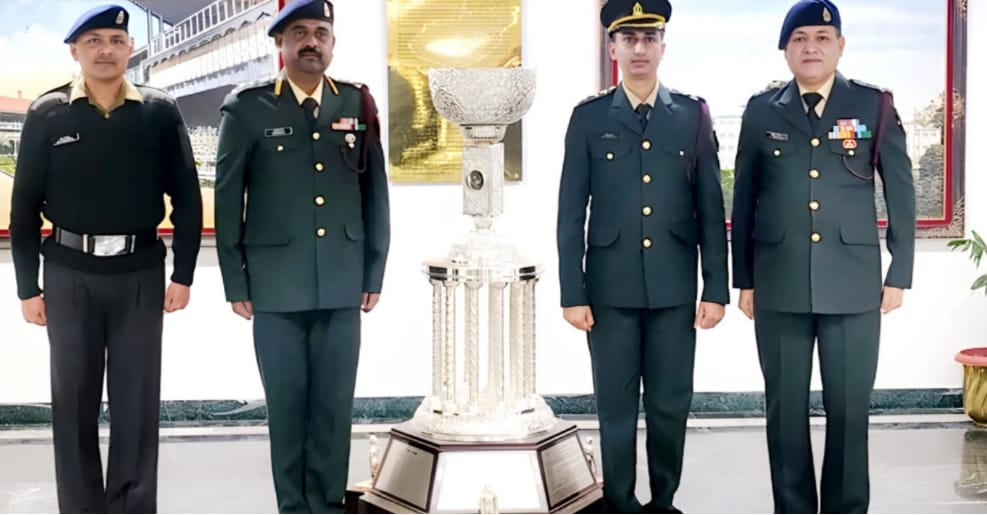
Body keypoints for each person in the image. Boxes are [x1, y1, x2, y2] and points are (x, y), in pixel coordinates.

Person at [8, 4, 203, 512]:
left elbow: (187, 196)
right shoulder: (49, 113)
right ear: (75, 50)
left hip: (139, 273)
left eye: (116, 41)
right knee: (73, 402)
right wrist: (28, 287)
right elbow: (24, 207)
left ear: (130, 49)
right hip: (69, 275)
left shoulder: (159, 112)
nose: (105, 50)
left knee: (137, 403)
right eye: (93, 41)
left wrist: (183, 273)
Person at [730, 1, 915, 512]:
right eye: (800, 39)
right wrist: (744, 279)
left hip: (853, 284)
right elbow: (744, 199)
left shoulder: (873, 104)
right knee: (785, 412)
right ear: (785, 50)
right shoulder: (762, 109)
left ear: (840, 46)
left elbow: (900, 191)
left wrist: (899, 272)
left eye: (822, 37)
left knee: (850, 411)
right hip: (779, 283)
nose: (811, 47)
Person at [213, 0, 390, 512]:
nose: (311, 42)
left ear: (332, 42)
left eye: (320, 32)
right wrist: (236, 281)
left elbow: (375, 194)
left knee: (334, 410)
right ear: (280, 43)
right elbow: (228, 199)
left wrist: (373, 271)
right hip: (275, 285)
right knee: (287, 410)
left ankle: (328, 505)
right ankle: (293, 506)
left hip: (342, 278)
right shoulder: (247, 108)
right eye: (299, 33)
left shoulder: (356, 102)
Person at [555, 0, 728, 512]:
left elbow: (710, 206)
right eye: (628, 39)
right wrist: (572, 292)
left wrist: (716, 288)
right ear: (612, 48)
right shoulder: (589, 118)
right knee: (615, 407)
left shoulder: (691, 115)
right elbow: (571, 211)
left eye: (649, 38)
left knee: (671, 404)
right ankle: (620, 502)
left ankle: (663, 501)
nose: (639, 48)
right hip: (609, 290)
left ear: (662, 47)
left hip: (674, 288)